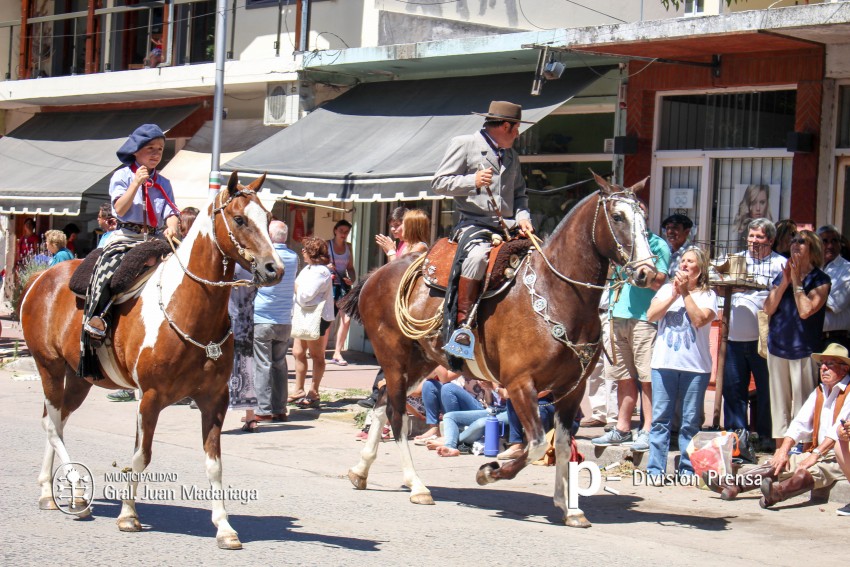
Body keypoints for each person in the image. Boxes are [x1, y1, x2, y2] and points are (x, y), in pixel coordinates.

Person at [432, 100, 534, 351]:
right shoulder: (465, 144)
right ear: (506, 126)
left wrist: (524, 217)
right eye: (517, 128)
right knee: (477, 258)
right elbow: (439, 183)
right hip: (473, 224)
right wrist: (473, 180)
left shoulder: (512, 156)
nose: (518, 134)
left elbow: (520, 194)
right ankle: (462, 328)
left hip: (509, 228)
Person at [82, 123, 180, 379]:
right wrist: (136, 183)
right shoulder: (123, 176)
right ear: (136, 151)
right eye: (150, 148)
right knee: (108, 270)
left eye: (160, 149)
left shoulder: (164, 182)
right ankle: (97, 318)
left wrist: (171, 227)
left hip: (156, 238)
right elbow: (121, 210)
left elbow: (171, 212)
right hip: (126, 236)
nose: (156, 153)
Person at [705, 343, 850, 509]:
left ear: (844, 369)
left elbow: (836, 432)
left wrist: (815, 455)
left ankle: (777, 493)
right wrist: (783, 451)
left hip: (842, 457)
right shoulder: (820, 391)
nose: (823, 368)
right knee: (778, 463)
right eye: (821, 364)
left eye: (829, 364)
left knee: (811, 472)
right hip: (819, 452)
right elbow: (799, 424)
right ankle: (734, 485)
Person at [592, 216, 670, 453]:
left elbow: (661, 282)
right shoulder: (620, 245)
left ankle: (648, 429)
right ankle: (623, 428)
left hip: (645, 318)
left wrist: (638, 272)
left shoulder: (657, 245)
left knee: (647, 379)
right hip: (618, 314)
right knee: (622, 377)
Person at [645, 247, 717, 479]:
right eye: (683, 260)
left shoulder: (708, 295)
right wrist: (674, 295)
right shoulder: (667, 289)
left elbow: (699, 319)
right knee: (660, 420)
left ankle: (686, 468)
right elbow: (651, 316)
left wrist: (685, 293)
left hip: (695, 368)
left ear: (700, 268)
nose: (684, 264)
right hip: (664, 364)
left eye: (691, 261)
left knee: (689, 423)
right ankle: (655, 469)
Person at [722, 218, 786, 453]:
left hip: (765, 340)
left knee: (767, 390)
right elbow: (713, 280)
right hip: (734, 340)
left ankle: (767, 436)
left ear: (770, 239)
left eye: (759, 237)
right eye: (751, 236)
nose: (754, 241)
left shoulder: (780, 264)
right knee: (733, 390)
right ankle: (736, 439)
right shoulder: (735, 260)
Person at [763, 229, 831, 446]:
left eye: (801, 242)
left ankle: (801, 454)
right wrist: (784, 282)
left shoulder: (821, 279)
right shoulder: (782, 275)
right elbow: (768, 308)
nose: (795, 245)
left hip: (804, 350)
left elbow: (805, 310)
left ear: (813, 248)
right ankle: (778, 457)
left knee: (803, 407)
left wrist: (797, 282)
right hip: (777, 347)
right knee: (779, 408)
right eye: (793, 241)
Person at [248, 220, 298, 430]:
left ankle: (263, 409)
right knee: (279, 364)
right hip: (284, 319)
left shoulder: (265, 256)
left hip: (262, 317)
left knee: (262, 364)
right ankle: (280, 408)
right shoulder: (293, 257)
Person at [291, 236, 335, 409]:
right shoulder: (308, 269)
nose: (302, 252)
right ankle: (298, 389)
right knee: (298, 352)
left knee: (316, 355)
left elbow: (305, 295)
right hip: (303, 315)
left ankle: (314, 391)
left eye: (305, 249)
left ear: (312, 252)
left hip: (316, 317)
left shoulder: (321, 272)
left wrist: (294, 287)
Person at [327, 219, 356, 366]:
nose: (344, 234)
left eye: (346, 232)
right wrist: (326, 266)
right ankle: (319, 349)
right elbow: (316, 262)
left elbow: (350, 267)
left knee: (346, 320)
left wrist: (352, 279)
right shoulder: (326, 245)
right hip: (328, 285)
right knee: (328, 319)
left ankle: (337, 352)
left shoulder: (348, 247)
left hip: (343, 286)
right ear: (335, 230)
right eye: (341, 231)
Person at [817, 225, 850, 351]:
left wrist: (802, 296)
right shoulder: (812, 268)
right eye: (824, 241)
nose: (830, 246)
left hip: (835, 341)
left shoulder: (847, 269)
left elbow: (834, 305)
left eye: (834, 241)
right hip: (811, 338)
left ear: (840, 244)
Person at [734, 184, 772, 248]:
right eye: (754, 203)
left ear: (767, 204)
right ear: (748, 203)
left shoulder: (770, 227)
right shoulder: (744, 229)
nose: (758, 208)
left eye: (762, 202)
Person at [661, 213, 694, 278]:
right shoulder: (665, 251)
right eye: (668, 228)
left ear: (686, 232)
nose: (670, 231)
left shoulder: (692, 253)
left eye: (675, 228)